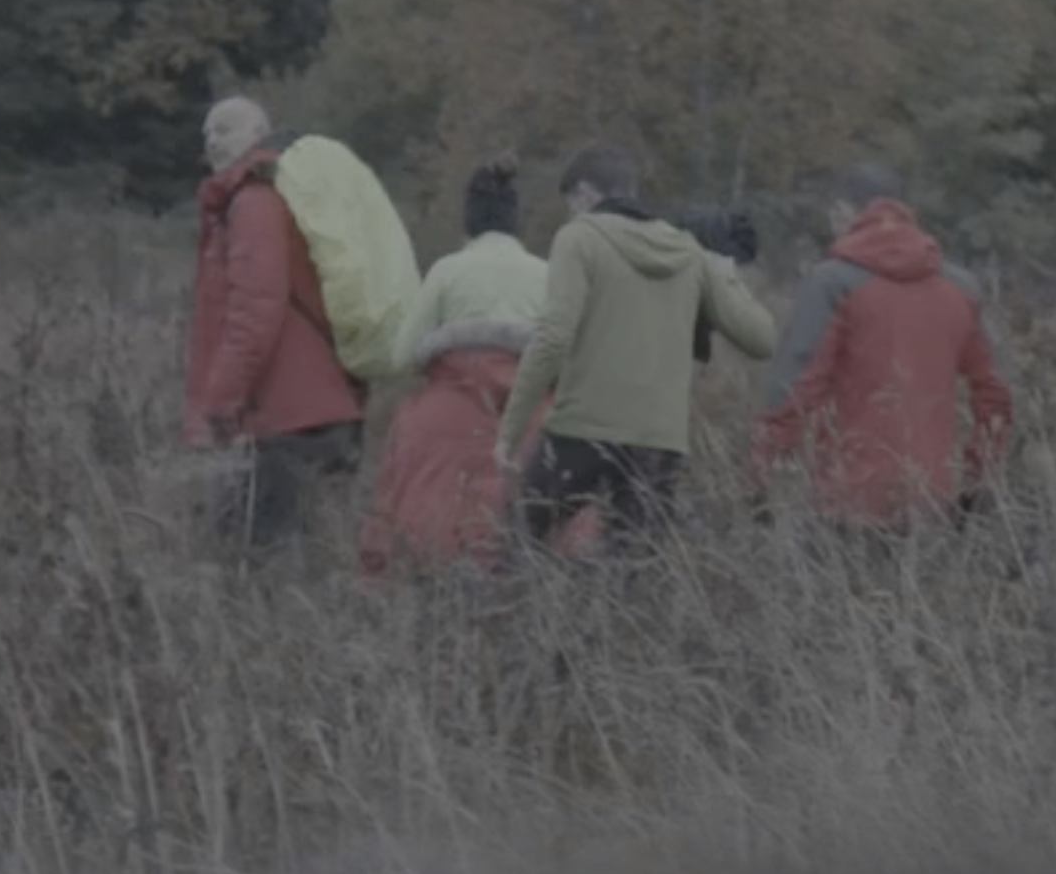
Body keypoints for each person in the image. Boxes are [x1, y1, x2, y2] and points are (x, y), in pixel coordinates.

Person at [501, 145, 774, 550]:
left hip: (581, 429)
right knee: (635, 575)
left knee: (521, 546)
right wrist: (721, 269)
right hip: (657, 441)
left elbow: (553, 336)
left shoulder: (579, 238)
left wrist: (510, 428)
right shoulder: (689, 252)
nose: (572, 216)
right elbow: (762, 339)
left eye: (571, 205)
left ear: (586, 194)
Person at [753, 164, 1015, 526]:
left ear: (845, 212)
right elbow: (995, 397)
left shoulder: (831, 283)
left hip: (845, 499)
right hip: (932, 498)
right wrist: (977, 479)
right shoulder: (962, 287)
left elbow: (794, 389)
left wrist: (761, 475)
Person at [183, 94, 367, 548]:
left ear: (259, 135)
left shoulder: (255, 203)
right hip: (321, 409)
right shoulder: (265, 200)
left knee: (245, 562)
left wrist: (220, 404)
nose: (213, 141)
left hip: (291, 416)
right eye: (206, 134)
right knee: (302, 559)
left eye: (226, 129)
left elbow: (253, 314)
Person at [360, 160, 552, 576]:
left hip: (450, 403)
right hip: (533, 406)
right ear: (516, 222)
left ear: (467, 223)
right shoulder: (545, 273)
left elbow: (404, 352)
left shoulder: (448, 270)